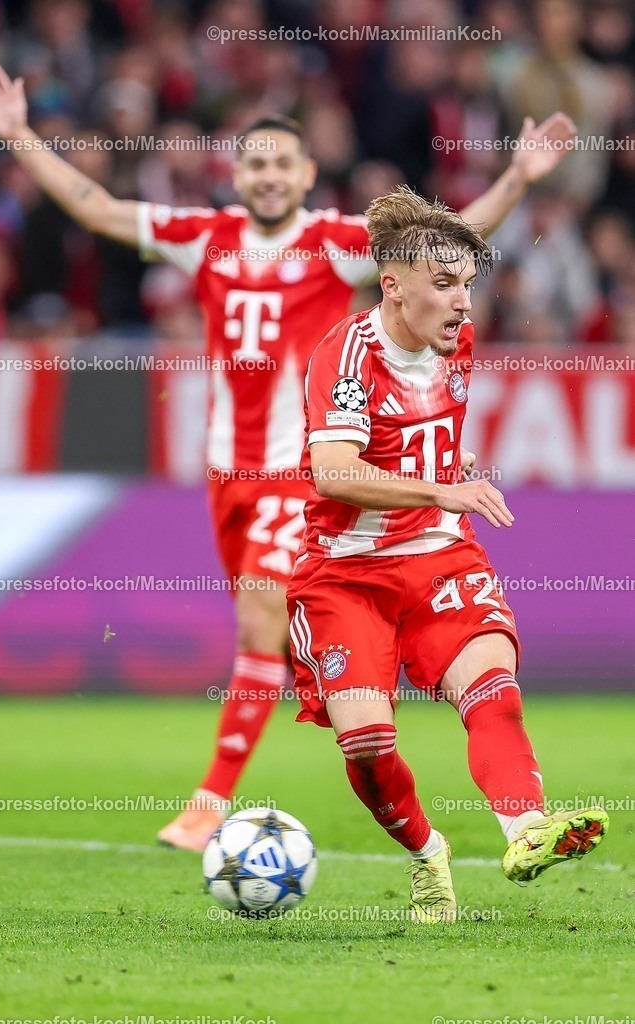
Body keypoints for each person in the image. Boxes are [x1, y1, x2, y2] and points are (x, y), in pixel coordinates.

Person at [0, 62, 578, 851]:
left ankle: (209, 804)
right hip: (227, 475)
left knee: (261, 622)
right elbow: (98, 207)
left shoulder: (333, 244)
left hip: (303, 467)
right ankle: (349, 688)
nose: (269, 176)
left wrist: (517, 179)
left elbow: (439, 252)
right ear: (236, 173)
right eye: (255, 163)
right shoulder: (206, 237)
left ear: (307, 174)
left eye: (283, 163)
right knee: (268, 634)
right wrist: (17, 135)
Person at [286, 185, 609, 923]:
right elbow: (332, 472)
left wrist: (522, 176)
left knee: (492, 688)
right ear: (392, 286)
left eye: (468, 284)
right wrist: (440, 487)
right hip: (347, 572)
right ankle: (427, 853)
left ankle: (527, 830)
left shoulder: (450, 335)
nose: (463, 302)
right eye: (445, 285)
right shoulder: (346, 356)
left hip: (439, 555)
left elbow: (447, 243)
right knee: (367, 744)